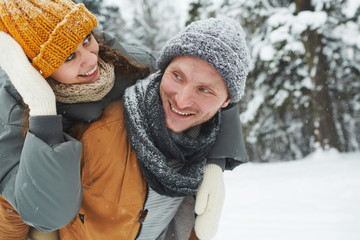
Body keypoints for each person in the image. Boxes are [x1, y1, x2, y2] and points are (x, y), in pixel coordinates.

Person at [0, 1, 247, 239]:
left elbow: (210, 76)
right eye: (67, 57)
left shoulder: (122, 64)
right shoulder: (13, 119)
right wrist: (42, 106)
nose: (90, 60)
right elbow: (46, 215)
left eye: (86, 39)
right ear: (34, 69)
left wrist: (215, 163)